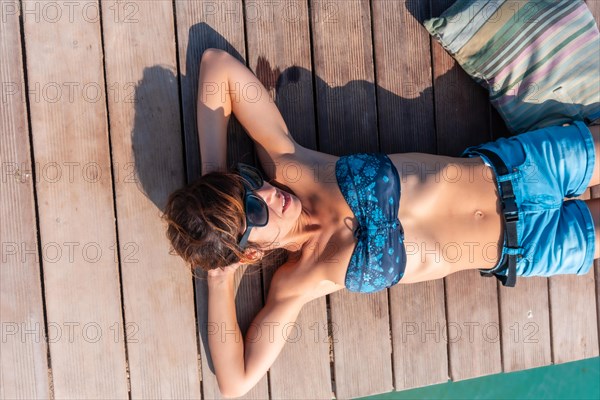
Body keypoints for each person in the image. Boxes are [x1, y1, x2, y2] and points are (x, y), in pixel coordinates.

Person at [162, 48, 599, 398]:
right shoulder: (299, 283)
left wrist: (214, 175)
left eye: (248, 184)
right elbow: (234, 383)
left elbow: (216, 67)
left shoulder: (292, 165)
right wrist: (220, 281)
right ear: (251, 252)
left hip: (521, 170)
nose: (268, 195)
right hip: (531, 244)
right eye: (255, 211)